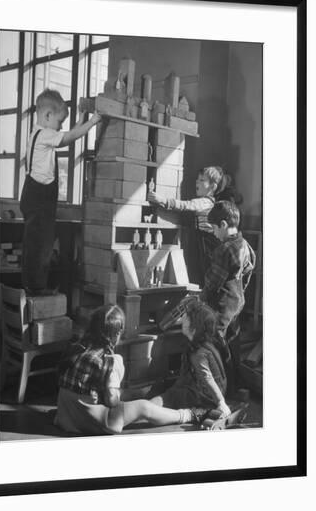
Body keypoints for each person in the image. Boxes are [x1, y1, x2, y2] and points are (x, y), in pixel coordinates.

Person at [54, 304, 211, 435]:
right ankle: (188, 415)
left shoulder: (76, 349)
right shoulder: (111, 361)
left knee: (132, 394)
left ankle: (151, 401)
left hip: (65, 416)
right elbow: (111, 400)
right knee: (142, 407)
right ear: (116, 335)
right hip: (92, 420)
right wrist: (120, 397)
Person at [20, 89, 101, 296]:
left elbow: (67, 133)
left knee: (40, 244)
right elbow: (68, 138)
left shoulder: (40, 133)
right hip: (39, 197)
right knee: (40, 246)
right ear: (47, 116)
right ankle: (35, 288)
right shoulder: (45, 135)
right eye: (59, 121)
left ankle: (34, 285)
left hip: (35, 195)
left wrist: (82, 116)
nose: (61, 126)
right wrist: (93, 122)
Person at [199, 200, 256, 395]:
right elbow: (249, 270)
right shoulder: (245, 245)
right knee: (234, 343)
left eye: (214, 228)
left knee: (216, 342)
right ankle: (235, 384)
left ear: (223, 225)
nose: (214, 233)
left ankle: (220, 387)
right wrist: (239, 295)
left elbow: (213, 282)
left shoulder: (223, 250)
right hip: (238, 302)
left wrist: (202, 300)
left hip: (223, 305)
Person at [147, 166, 240, 277]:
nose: (197, 182)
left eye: (202, 180)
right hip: (201, 240)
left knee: (203, 269)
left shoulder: (205, 202)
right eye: (197, 179)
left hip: (206, 242)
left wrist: (163, 200)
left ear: (213, 186)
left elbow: (186, 205)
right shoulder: (207, 201)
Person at [150, 298, 231, 418]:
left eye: (186, 318)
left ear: (194, 328)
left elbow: (207, 378)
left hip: (203, 396)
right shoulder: (204, 341)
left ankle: (145, 408)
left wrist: (221, 403)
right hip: (204, 389)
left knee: (170, 396)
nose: (182, 319)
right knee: (162, 385)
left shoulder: (198, 353)